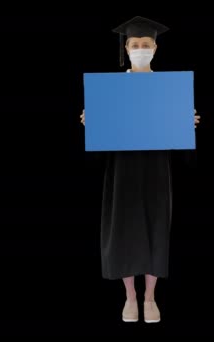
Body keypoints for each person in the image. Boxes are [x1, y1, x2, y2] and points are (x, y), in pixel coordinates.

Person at [80, 16, 200, 323]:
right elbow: (97, 153)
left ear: (155, 48)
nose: (140, 49)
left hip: (156, 170)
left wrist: (187, 125)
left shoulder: (169, 90)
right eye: (134, 45)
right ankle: (130, 297)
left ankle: (150, 297)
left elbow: (183, 150)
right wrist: (92, 126)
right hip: (122, 172)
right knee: (123, 231)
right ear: (126, 48)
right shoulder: (111, 91)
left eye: (146, 44)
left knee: (154, 229)